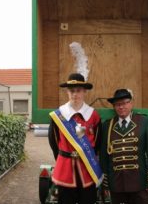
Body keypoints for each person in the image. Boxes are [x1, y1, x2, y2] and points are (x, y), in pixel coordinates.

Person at [48, 73, 103, 204]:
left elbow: (98, 141)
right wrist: (63, 157)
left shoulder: (93, 115)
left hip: (87, 168)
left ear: (84, 92)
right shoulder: (58, 115)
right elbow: (53, 141)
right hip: (65, 168)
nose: (75, 94)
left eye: (78, 91)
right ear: (67, 92)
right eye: (72, 91)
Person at [100, 89, 148, 204]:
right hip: (116, 183)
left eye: (125, 103)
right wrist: (105, 184)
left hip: (139, 183)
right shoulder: (107, 125)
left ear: (131, 103)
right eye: (117, 104)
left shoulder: (144, 121)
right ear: (114, 107)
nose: (121, 107)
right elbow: (104, 157)